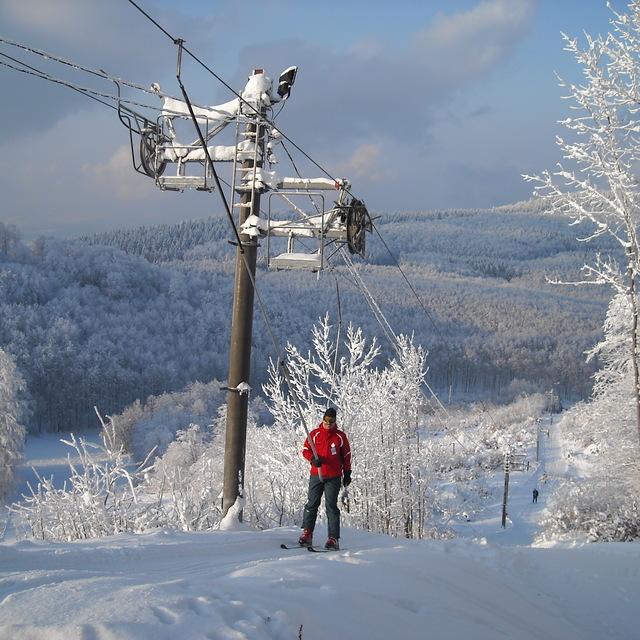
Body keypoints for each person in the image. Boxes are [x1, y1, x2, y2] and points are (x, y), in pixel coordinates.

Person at [299, 407, 352, 550]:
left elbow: (346, 455)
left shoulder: (340, 437)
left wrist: (347, 472)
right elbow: (305, 449)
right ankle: (307, 533)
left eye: (331, 420)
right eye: (326, 420)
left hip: (333, 476)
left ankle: (333, 538)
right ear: (323, 419)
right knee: (312, 503)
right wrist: (312, 458)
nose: (328, 423)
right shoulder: (315, 434)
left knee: (331, 506)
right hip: (317, 474)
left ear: (335, 421)